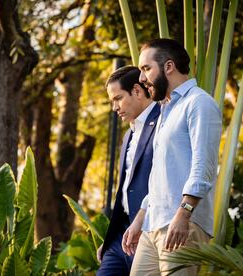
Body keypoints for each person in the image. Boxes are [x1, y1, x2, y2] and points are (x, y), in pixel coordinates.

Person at [122, 39, 222, 276]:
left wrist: (184, 213)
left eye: (146, 69)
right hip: (153, 224)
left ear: (168, 66)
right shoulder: (167, 109)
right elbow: (160, 175)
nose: (142, 78)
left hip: (182, 224)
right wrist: (140, 220)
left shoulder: (199, 103)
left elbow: (204, 166)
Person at [97, 65, 160, 275]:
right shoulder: (128, 135)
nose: (114, 107)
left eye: (118, 98)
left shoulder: (164, 122)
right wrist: (111, 239)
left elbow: (165, 180)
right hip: (120, 236)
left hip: (149, 231)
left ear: (137, 90)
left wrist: (140, 223)